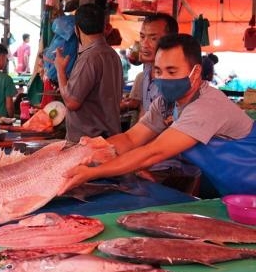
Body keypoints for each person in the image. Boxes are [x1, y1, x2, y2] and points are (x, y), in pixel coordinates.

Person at [61, 34, 256, 197]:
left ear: (196, 73)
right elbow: (130, 138)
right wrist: (87, 153)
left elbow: (153, 152)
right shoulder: (166, 104)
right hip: (232, 190)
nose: (163, 78)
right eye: (158, 71)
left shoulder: (206, 106)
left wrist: (93, 172)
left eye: (172, 71)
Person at [55, 3, 123, 142]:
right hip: (108, 137)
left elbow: (71, 102)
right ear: (104, 27)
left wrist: (60, 70)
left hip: (89, 143)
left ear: (76, 29)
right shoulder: (112, 55)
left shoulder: (89, 57)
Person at [121, 13, 179, 117]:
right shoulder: (147, 68)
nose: (144, 44)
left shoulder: (176, 79)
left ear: (171, 40)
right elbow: (145, 112)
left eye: (153, 38)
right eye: (142, 36)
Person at [0, 43, 17, 117]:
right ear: (1, 57)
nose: (6, 61)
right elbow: (9, 106)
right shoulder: (6, 79)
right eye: (6, 58)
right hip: (0, 122)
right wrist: (11, 118)